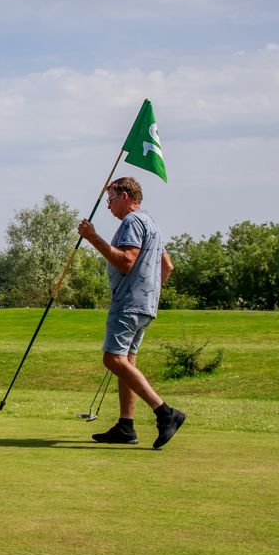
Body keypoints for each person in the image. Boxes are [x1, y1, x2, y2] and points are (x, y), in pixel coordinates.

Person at [77, 176, 184, 448]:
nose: (109, 206)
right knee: (127, 363)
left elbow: (126, 261)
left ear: (125, 196)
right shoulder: (151, 223)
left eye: (111, 199)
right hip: (145, 304)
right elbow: (167, 266)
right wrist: (150, 291)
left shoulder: (132, 222)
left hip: (128, 302)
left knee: (113, 360)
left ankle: (165, 413)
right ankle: (126, 426)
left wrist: (92, 237)